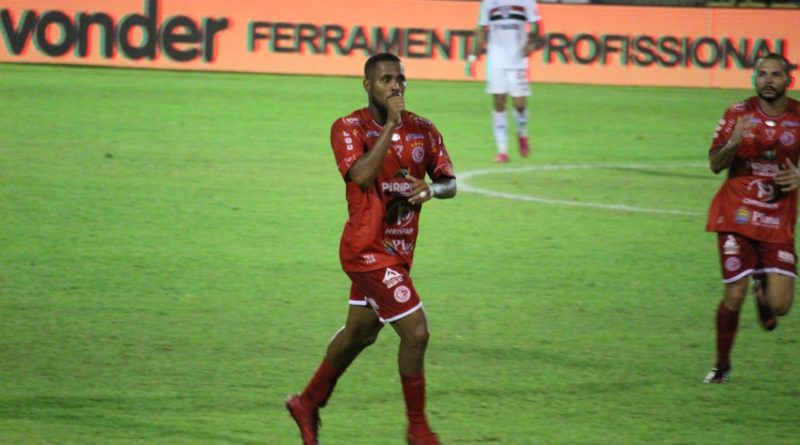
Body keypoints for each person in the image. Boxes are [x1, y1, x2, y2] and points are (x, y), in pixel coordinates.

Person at [286, 52, 457, 444]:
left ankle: (307, 402)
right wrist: (391, 126)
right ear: (368, 85)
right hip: (366, 249)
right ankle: (418, 430)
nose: (395, 86)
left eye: (400, 79)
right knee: (416, 334)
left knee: (359, 334)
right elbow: (361, 175)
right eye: (385, 80)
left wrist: (432, 188)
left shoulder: (425, 131)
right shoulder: (347, 128)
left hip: (399, 252)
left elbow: (451, 182)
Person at [704, 53, 800, 383]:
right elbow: (715, 164)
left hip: (778, 218)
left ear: (789, 81)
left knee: (781, 306)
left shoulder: (799, 116)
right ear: (754, 79)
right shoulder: (737, 112)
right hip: (737, 213)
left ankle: (763, 282)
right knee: (733, 294)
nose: (768, 81)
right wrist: (733, 142)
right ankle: (721, 366)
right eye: (762, 75)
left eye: (775, 75)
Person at [466, 0, 543, 163]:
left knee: (520, 105)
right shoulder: (489, 3)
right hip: (496, 61)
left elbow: (536, 26)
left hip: (518, 60)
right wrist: (473, 57)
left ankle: (522, 132)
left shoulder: (526, 2)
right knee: (499, 103)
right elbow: (481, 29)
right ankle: (502, 151)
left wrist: (531, 43)